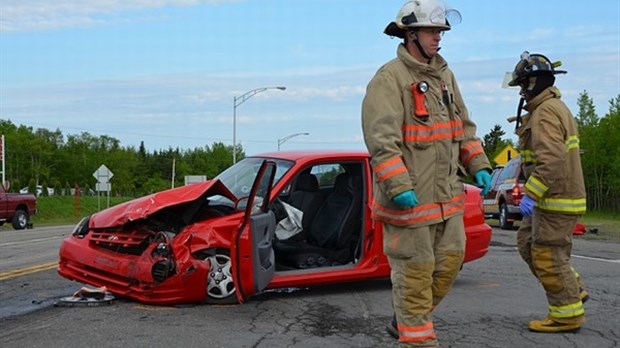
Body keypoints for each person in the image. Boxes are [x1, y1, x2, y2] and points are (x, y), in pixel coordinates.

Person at [361, 1, 492, 346]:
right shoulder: (389, 79)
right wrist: (398, 184)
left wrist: (478, 164)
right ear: (410, 34)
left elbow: (463, 127)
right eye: (433, 31)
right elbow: (382, 143)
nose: (439, 38)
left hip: (447, 200)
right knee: (415, 276)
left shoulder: (445, 76)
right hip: (410, 205)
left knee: (449, 265)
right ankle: (416, 336)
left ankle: (405, 318)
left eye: (441, 32)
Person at [506, 51, 588, 332]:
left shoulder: (545, 113)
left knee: (547, 255)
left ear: (532, 83)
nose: (520, 92)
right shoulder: (549, 109)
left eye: (521, 85)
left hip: (555, 199)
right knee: (527, 243)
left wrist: (531, 194)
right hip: (550, 199)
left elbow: (551, 159)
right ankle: (572, 288)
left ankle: (567, 313)